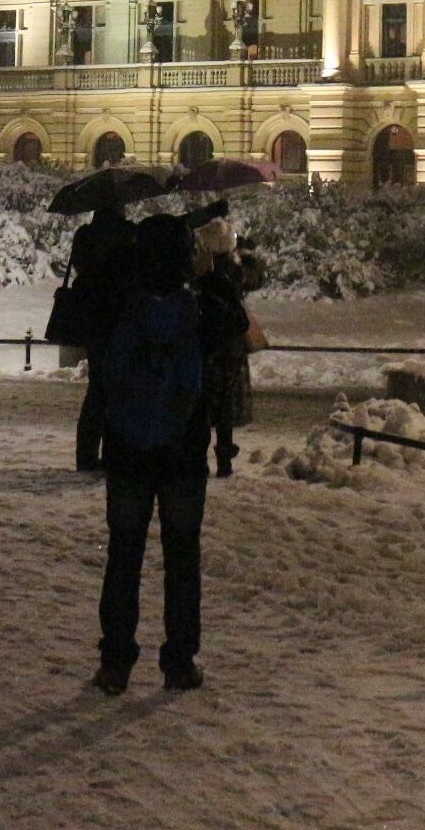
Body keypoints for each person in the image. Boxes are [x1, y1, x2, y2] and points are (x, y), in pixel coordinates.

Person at [92, 211, 244, 696]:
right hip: (182, 453)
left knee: (123, 555)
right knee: (181, 557)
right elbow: (237, 321)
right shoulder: (199, 311)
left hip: (127, 451)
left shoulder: (120, 306)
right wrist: (210, 273)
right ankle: (179, 661)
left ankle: (115, 662)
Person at [64, 199, 138, 471]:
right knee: (116, 390)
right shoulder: (127, 235)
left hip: (93, 318)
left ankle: (86, 455)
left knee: (97, 389)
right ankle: (111, 452)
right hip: (119, 318)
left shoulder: (85, 235)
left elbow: (81, 269)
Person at [192, 217, 254, 479]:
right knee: (225, 406)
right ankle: (224, 457)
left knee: (204, 405)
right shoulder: (234, 273)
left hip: (208, 349)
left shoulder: (203, 276)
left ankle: (200, 459)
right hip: (230, 349)